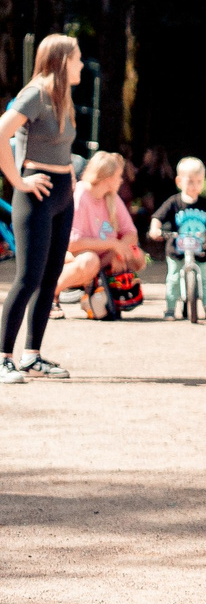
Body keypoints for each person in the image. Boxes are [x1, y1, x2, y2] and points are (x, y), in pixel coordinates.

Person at [1, 34, 84, 382]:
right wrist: (18, 182)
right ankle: (3, 357)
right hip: (36, 194)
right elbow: (1, 133)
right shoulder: (34, 93)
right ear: (63, 61)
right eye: (78, 58)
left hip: (63, 194)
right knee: (28, 278)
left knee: (50, 279)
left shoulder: (62, 97)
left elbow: (61, 145)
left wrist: (71, 177)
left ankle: (32, 356)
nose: (82, 65)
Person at [59, 152, 144, 312]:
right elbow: (72, 243)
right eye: (119, 176)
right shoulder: (81, 194)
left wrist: (117, 253)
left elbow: (131, 234)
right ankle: (50, 295)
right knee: (90, 261)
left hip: (103, 256)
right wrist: (113, 244)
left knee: (137, 256)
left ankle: (100, 294)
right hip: (74, 255)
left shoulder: (111, 196)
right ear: (107, 178)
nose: (121, 180)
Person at [149, 157, 206, 320]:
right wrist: (155, 229)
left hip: (200, 249)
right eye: (190, 181)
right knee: (173, 278)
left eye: (199, 181)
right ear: (179, 182)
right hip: (177, 250)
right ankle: (170, 308)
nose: (195, 186)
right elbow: (158, 217)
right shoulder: (174, 203)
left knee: (204, 277)